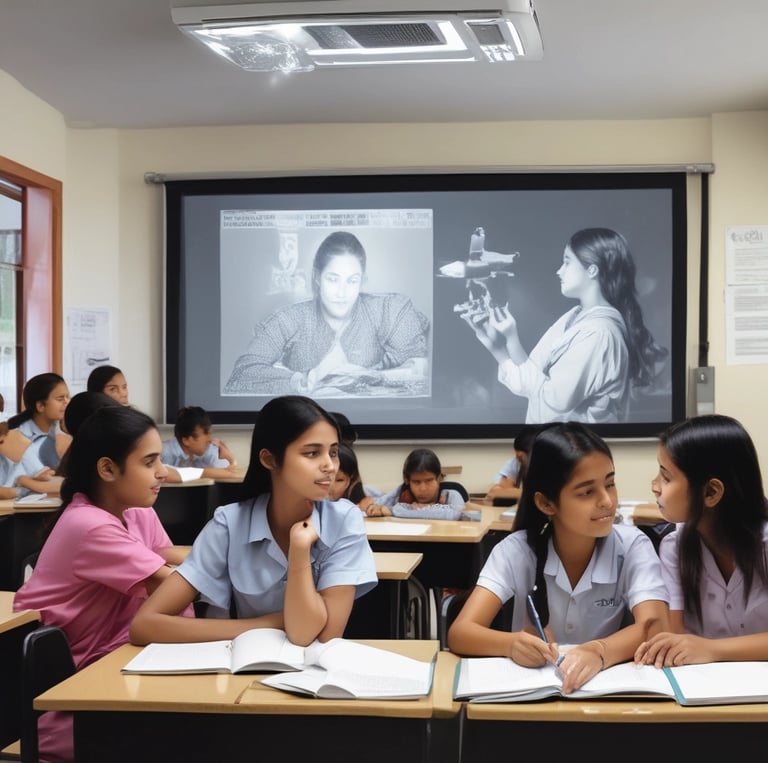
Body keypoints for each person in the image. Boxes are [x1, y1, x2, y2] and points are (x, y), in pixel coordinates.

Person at [13, 405, 189, 763]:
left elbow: (169, 556)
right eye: (149, 462)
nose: (163, 473)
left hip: (112, 673)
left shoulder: (133, 511)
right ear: (108, 468)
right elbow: (172, 586)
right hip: (73, 702)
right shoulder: (90, 525)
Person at [129, 395, 378, 647]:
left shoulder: (344, 520)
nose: (329, 465)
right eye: (312, 453)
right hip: (234, 671)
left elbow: (320, 636)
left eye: (333, 452)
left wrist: (300, 550)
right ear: (269, 459)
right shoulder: (229, 523)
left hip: (310, 678)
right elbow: (145, 626)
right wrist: (264, 625)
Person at [447, 422, 669, 694]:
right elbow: (460, 633)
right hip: (531, 698)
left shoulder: (633, 546)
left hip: (606, 699)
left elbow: (656, 626)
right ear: (546, 504)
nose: (607, 501)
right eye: (587, 492)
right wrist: (510, 644)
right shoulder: (516, 551)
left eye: (609, 484)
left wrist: (599, 651)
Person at [463, 228, 667, 423]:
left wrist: (512, 337)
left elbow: (553, 401)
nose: (559, 271)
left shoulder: (599, 334)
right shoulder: (574, 317)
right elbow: (529, 382)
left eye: (567, 262)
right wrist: (496, 345)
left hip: (574, 454)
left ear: (592, 270)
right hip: (551, 448)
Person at [224, 230, 430, 397]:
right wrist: (308, 378)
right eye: (333, 279)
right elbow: (241, 375)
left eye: (352, 281)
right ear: (317, 277)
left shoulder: (391, 310)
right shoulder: (287, 319)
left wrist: (366, 376)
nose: (342, 292)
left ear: (362, 281)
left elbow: (421, 371)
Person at [635, 414, 768, 667]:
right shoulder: (674, 547)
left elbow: (696, 646)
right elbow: (675, 637)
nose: (655, 486)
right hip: (703, 686)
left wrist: (712, 649)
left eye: (666, 477)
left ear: (711, 492)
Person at [364, 447, 467, 520]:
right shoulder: (402, 492)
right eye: (416, 482)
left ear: (439, 478)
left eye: (429, 481)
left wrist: (394, 511)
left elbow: (455, 514)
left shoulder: (451, 494)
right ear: (408, 481)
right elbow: (377, 505)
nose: (423, 488)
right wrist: (374, 509)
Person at [7, 372, 71, 469]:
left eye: (68, 397)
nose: (67, 402)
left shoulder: (60, 430)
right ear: (40, 406)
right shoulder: (19, 437)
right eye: (60, 399)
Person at [161, 405, 240, 479]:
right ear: (186, 441)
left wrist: (230, 458)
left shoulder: (204, 451)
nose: (210, 439)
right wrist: (205, 473)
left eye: (210, 433)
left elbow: (230, 473)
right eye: (206, 434)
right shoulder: (163, 452)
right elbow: (164, 474)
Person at [0, 420, 62, 499]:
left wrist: (25, 482)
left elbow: (47, 477)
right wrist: (23, 486)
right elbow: (6, 492)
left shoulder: (23, 450)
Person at [484, 424, 539, 504]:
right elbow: (494, 491)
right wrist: (506, 491)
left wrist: (510, 492)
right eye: (517, 456)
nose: (518, 460)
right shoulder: (515, 463)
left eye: (521, 458)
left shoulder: (548, 466)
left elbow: (543, 496)